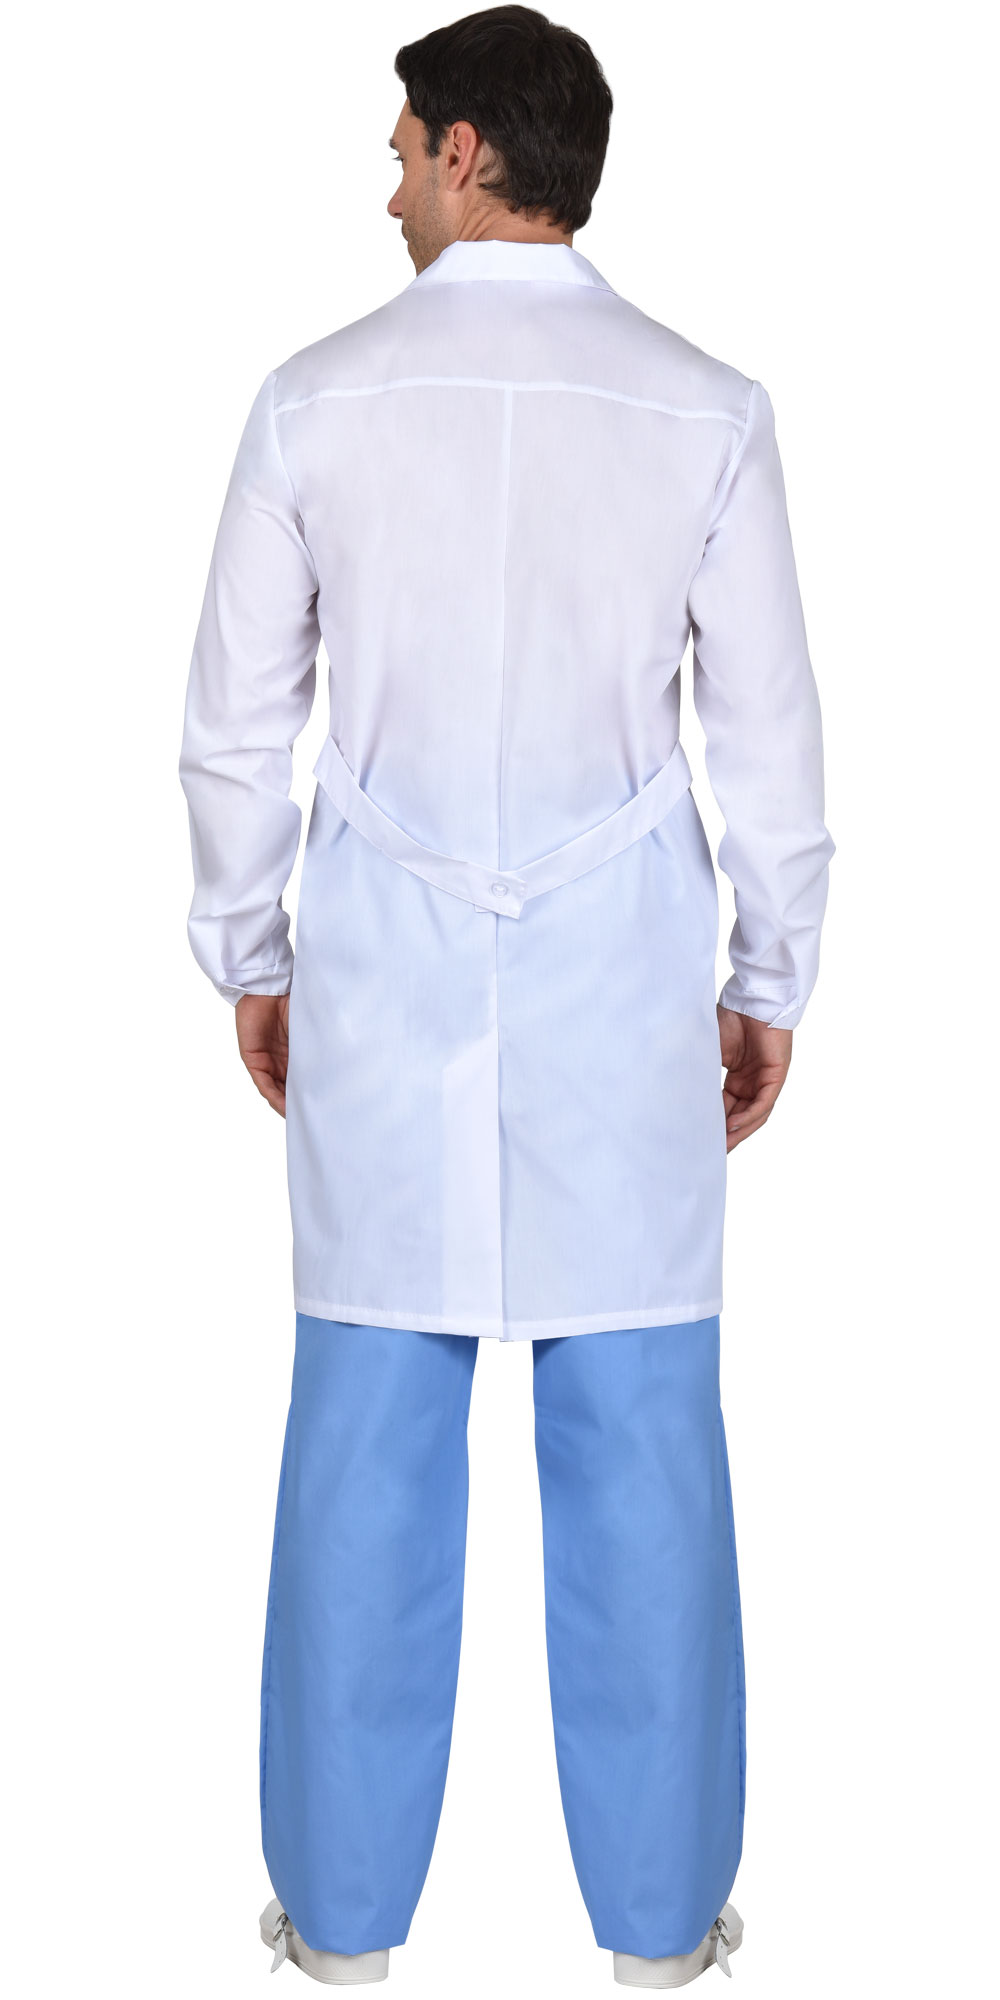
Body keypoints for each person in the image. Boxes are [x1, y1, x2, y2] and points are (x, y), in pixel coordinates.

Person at [179, 7, 834, 1988]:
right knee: (640, 1447)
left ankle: (340, 1926)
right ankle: (659, 1930)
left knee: (365, 1447)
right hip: (621, 995)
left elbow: (235, 733)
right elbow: (770, 743)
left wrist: (253, 952)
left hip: (379, 990)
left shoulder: (312, 403)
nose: (385, 180)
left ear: (469, 149)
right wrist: (768, 976)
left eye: (399, 146)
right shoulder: (704, 410)